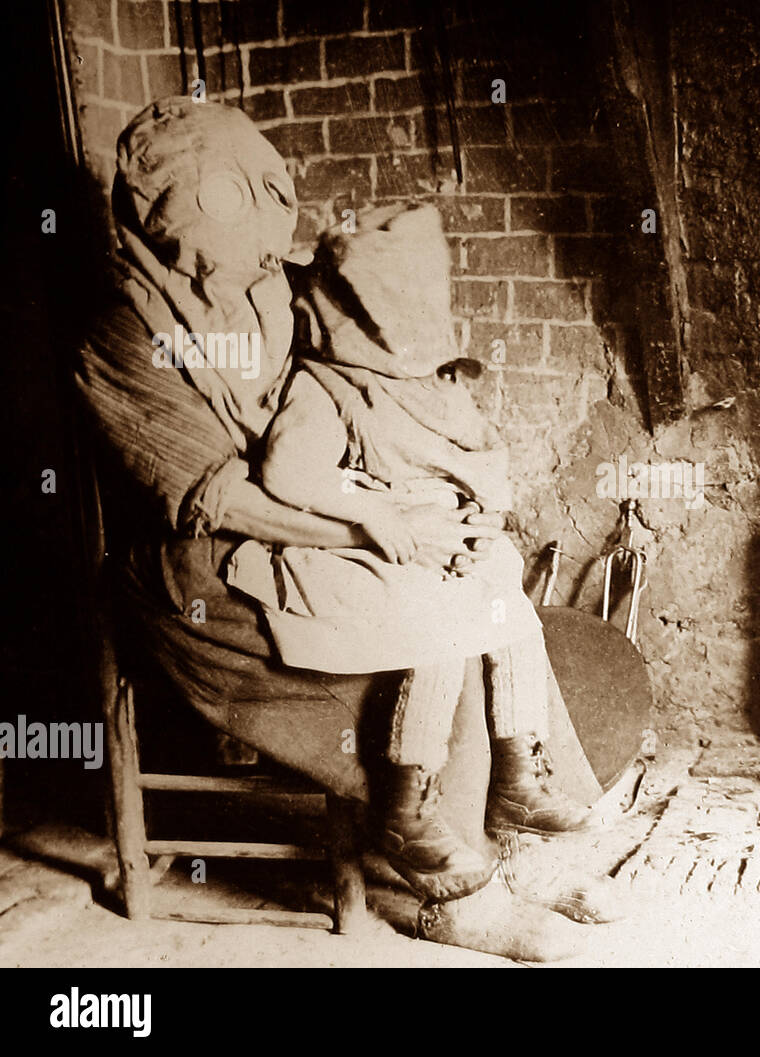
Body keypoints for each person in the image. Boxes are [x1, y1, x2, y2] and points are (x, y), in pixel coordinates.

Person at [74, 95, 610, 961]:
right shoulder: (122, 330)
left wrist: (431, 486)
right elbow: (218, 498)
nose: (253, 226)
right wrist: (374, 527)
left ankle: (513, 840)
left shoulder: (276, 285)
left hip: (313, 511)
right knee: (432, 620)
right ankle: (450, 890)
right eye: (221, 199)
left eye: (261, 189)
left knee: (474, 573)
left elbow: (372, 371)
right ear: (160, 204)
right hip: (192, 572)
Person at [222, 203, 593, 899]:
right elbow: (287, 475)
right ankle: (405, 801)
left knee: (500, 579)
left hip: (436, 532)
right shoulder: (325, 383)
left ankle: (517, 773)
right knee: (439, 613)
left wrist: (483, 516)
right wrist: (368, 514)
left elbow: (480, 456)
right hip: (351, 541)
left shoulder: (434, 381)